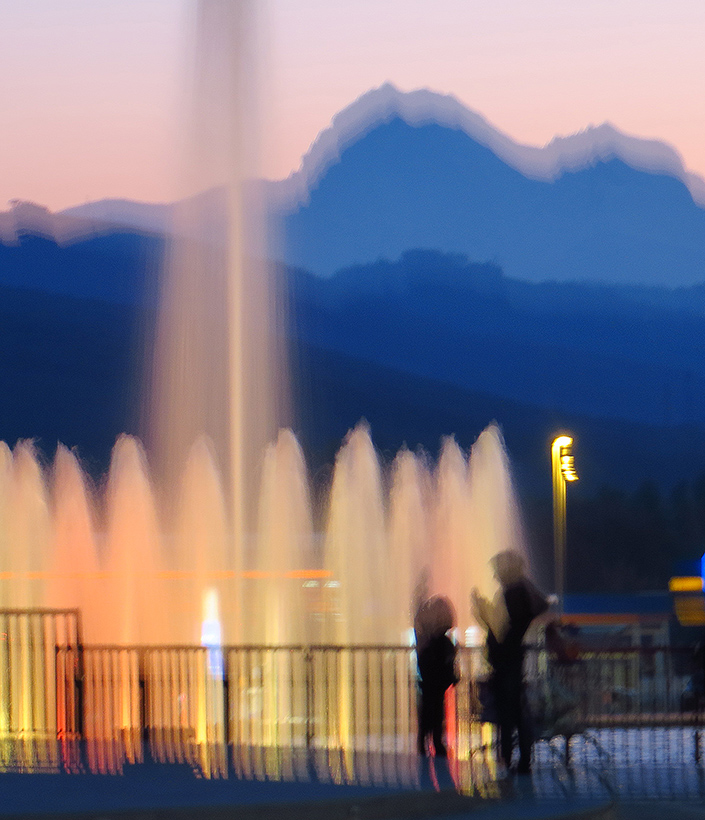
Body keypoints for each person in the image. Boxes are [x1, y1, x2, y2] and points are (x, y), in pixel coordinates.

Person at [471, 550, 548, 774]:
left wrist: (483, 610)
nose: (495, 576)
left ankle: (512, 758)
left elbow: (501, 628)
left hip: (507, 660)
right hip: (508, 659)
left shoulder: (515, 593)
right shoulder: (517, 591)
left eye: (498, 570)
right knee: (512, 711)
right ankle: (515, 758)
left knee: (510, 711)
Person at [415, 594, 459, 757]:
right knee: (435, 710)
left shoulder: (428, 642)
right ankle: (434, 742)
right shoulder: (442, 643)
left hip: (431, 679)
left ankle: (426, 742)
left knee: (430, 709)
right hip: (437, 679)